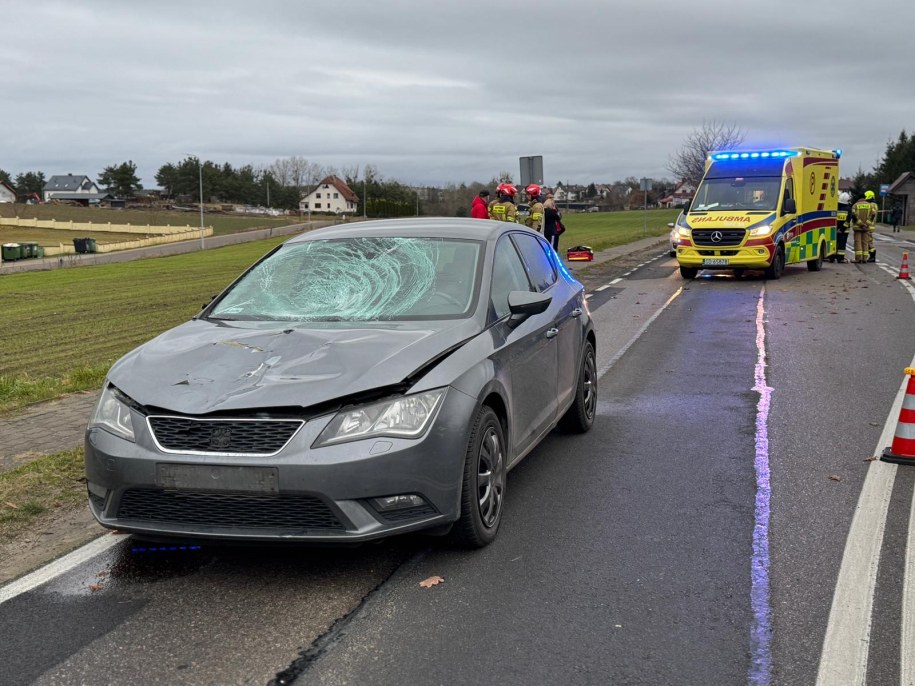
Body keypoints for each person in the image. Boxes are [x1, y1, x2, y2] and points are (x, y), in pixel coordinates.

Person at [851, 190, 878, 263]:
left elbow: (853, 216)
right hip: (866, 228)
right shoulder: (870, 205)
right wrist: (866, 224)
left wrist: (861, 224)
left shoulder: (855, 205)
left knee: (858, 242)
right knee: (865, 243)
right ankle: (865, 258)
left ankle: (858, 258)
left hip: (858, 227)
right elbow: (873, 214)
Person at [830, 191, 851, 263]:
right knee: (842, 245)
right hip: (844, 231)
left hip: (834, 230)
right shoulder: (848, 209)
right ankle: (840, 258)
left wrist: (836, 229)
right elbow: (847, 221)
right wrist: (842, 229)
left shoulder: (835, 207)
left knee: (833, 243)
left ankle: (831, 258)